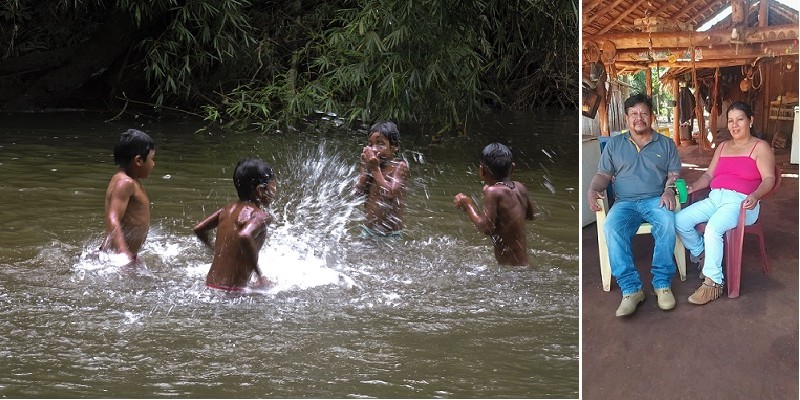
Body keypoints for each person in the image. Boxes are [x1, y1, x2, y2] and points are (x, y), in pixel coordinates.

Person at [587, 93, 682, 317]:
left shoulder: (666, 144)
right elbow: (603, 174)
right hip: (625, 203)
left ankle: (662, 284)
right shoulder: (614, 145)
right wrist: (592, 188)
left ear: (652, 117)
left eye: (643, 113)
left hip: (655, 199)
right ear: (626, 118)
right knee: (611, 227)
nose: (639, 118)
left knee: (667, 221)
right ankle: (631, 290)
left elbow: (674, 174)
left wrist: (669, 189)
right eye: (633, 114)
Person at [675, 101, 775, 305]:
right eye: (731, 121)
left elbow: (769, 179)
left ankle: (714, 283)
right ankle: (702, 254)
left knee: (713, 229)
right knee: (679, 220)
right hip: (716, 198)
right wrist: (695, 186)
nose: (735, 125)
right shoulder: (722, 147)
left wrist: (755, 195)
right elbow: (710, 174)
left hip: (742, 204)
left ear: (751, 120)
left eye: (740, 119)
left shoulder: (760, 147)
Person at [193, 158, 277, 291]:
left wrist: (214, 249)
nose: (275, 192)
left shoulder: (227, 209)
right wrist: (259, 275)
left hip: (209, 285)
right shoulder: (259, 215)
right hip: (233, 292)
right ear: (261, 190)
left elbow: (199, 228)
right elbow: (244, 236)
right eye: (273, 186)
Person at [454, 143, 536, 266]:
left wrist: (467, 205)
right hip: (525, 264)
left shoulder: (492, 192)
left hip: (510, 270)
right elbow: (530, 215)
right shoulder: (520, 187)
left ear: (482, 170)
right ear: (512, 168)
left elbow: (486, 227)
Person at [100, 129, 156, 266]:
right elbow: (113, 218)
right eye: (151, 159)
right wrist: (123, 254)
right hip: (117, 257)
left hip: (124, 255)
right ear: (138, 160)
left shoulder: (132, 181)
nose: (153, 164)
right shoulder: (124, 182)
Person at [354, 121, 409, 239]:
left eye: (380, 144)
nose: (373, 149)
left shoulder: (399, 166)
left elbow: (389, 195)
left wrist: (374, 169)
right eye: (370, 144)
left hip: (391, 235)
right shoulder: (368, 164)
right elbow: (357, 195)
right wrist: (366, 168)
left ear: (395, 147)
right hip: (368, 230)